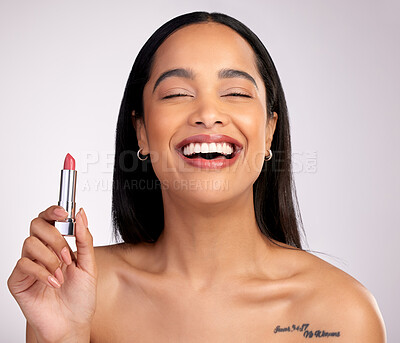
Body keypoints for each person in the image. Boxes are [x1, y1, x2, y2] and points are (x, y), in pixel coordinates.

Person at [8, 11, 386, 342]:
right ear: (141, 131)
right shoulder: (79, 291)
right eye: (176, 94)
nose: (208, 113)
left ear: (270, 131)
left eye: (236, 92)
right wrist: (63, 336)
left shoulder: (342, 314)